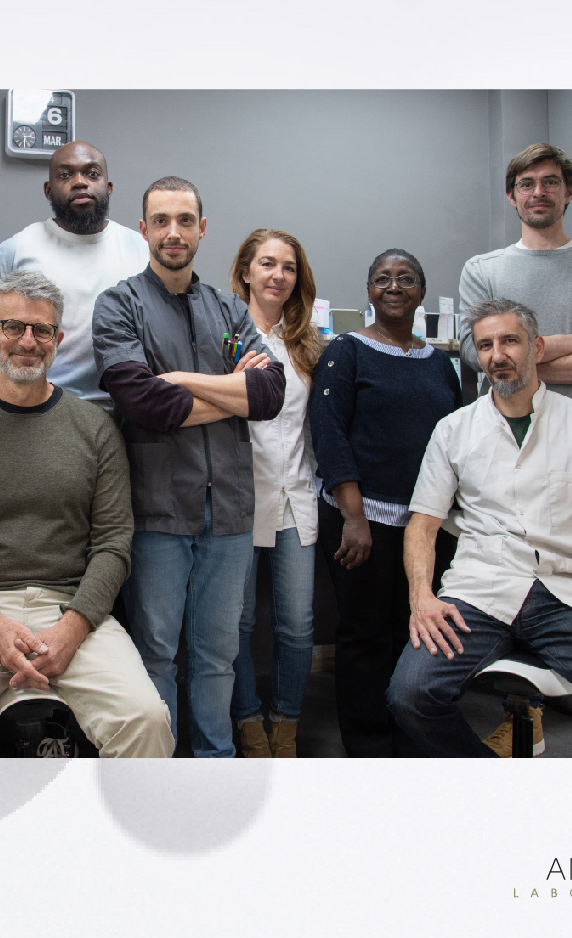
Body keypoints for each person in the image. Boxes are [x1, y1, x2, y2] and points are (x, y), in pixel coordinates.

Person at [0, 272, 172, 757]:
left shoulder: (95, 428)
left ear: (57, 341)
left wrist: (72, 629)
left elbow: (113, 544)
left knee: (146, 720)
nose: (28, 341)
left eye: (41, 330)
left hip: (72, 609)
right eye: (12, 326)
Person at [386, 298, 572, 758]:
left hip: (564, 597)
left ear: (536, 348)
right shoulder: (454, 430)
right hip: (479, 593)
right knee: (411, 696)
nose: (497, 354)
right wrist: (422, 598)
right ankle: (495, 789)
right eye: (485, 345)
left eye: (510, 341)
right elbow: (423, 524)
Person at [458, 142, 572, 753]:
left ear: (568, 192)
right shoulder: (484, 269)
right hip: (509, 461)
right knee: (515, 592)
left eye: (550, 182)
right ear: (512, 196)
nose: (538, 192)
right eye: (527, 184)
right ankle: (527, 718)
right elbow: (477, 357)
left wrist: (524, 359)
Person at [93, 176, 286, 758]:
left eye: (184, 221)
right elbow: (143, 403)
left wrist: (180, 381)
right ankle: (159, 765)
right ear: (144, 229)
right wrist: (232, 391)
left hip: (229, 510)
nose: (173, 232)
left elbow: (270, 394)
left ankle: (215, 760)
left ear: (201, 229)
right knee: (156, 652)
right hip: (158, 509)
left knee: (218, 655)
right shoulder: (119, 304)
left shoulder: (229, 308)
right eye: (161, 221)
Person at [310, 249, 461, 757]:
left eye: (406, 279)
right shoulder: (346, 351)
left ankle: (411, 737)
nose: (394, 287)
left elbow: (457, 438)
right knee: (365, 634)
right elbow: (329, 434)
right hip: (363, 520)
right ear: (369, 291)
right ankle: (369, 746)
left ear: (422, 292)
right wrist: (354, 517)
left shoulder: (439, 364)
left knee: (416, 629)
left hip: (425, 524)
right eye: (382, 279)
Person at [225, 229, 323, 758]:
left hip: (295, 497)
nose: (277, 275)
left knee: (297, 625)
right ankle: (247, 721)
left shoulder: (307, 344)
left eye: (288, 267)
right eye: (266, 264)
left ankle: (286, 724)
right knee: (236, 623)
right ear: (245, 272)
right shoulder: (224, 337)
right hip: (239, 502)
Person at [0, 141, 149, 410]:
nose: (79, 182)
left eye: (92, 173)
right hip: (40, 412)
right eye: (65, 174)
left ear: (108, 187)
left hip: (124, 411)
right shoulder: (16, 250)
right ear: (48, 190)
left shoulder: (141, 249)